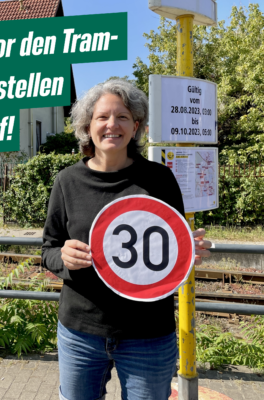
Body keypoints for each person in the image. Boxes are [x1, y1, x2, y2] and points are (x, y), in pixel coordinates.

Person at [42, 79, 211, 400]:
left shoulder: (159, 179)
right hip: (81, 331)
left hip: (148, 334)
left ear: (136, 127)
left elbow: (173, 244)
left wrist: (188, 250)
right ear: (87, 126)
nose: (112, 125)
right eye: (102, 117)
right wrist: (63, 258)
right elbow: (48, 249)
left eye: (122, 117)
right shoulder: (67, 181)